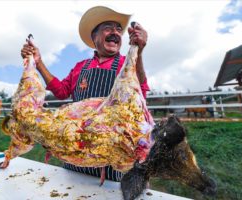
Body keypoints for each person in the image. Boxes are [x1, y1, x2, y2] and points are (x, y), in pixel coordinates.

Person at [21, 6, 149, 182]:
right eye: (108, 28)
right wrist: (38, 61)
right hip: (75, 154)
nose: (115, 33)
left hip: (111, 159)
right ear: (94, 37)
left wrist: (138, 52)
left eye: (119, 29)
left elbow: (140, 92)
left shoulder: (125, 65)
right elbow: (60, 91)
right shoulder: (81, 66)